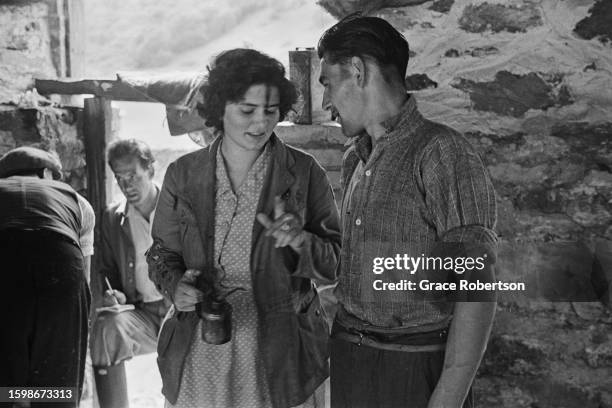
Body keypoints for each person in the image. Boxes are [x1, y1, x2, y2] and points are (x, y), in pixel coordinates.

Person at [317, 15, 498, 408]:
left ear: (357, 70)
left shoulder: (441, 153)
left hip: (415, 371)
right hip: (352, 361)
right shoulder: (355, 159)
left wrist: (446, 400)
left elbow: (474, 291)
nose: (326, 101)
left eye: (327, 83)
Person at [146, 48, 341, 408]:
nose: (260, 124)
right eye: (247, 111)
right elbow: (162, 254)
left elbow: (335, 265)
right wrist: (177, 285)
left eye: (270, 112)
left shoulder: (303, 173)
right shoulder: (183, 175)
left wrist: (300, 241)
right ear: (220, 109)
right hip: (202, 343)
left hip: (282, 350)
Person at [0, 146, 95, 406]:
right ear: (46, 173)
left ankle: (13, 398)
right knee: (57, 383)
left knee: (5, 383)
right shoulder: (77, 202)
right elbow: (84, 282)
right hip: (61, 264)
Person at [91, 139, 170, 408]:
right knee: (107, 327)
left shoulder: (179, 209)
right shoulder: (113, 218)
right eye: (119, 178)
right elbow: (107, 270)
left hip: (182, 313)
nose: (127, 186)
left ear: (150, 170)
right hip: (143, 314)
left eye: (133, 176)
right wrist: (113, 294)